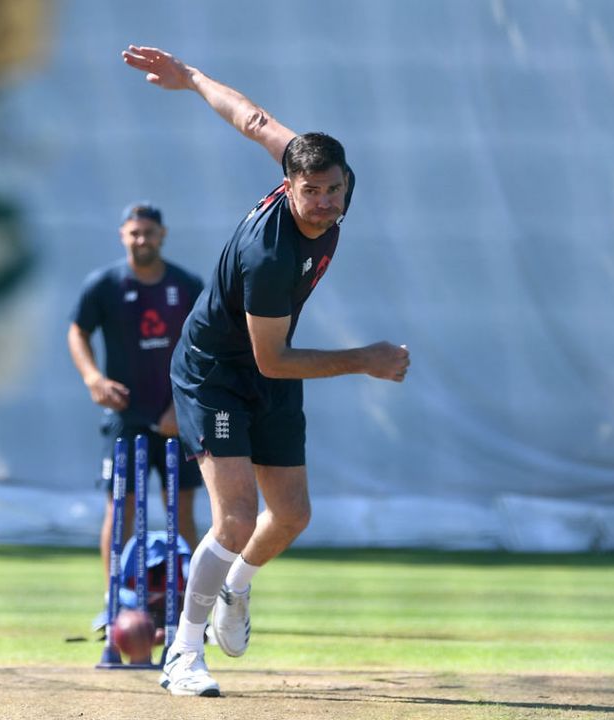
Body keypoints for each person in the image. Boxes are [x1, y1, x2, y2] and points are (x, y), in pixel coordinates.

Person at [121, 45, 411, 697]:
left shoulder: (310, 168)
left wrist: (193, 78)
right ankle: (183, 656)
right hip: (217, 371)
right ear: (289, 186)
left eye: (334, 189)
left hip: (266, 365)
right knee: (233, 518)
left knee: (292, 516)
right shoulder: (272, 256)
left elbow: (251, 118)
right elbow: (272, 359)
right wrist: (365, 359)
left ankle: (235, 588)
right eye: (311, 191)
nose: (324, 202)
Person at [67, 203, 204, 631]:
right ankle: (116, 600)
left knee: (181, 509)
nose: (141, 240)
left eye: (149, 232)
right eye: (134, 233)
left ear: (163, 234)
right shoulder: (104, 284)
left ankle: (186, 604)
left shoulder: (186, 285)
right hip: (126, 416)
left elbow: (204, 346)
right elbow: (77, 331)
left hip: (175, 418)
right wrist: (93, 378)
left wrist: (182, 407)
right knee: (119, 508)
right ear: (122, 235)